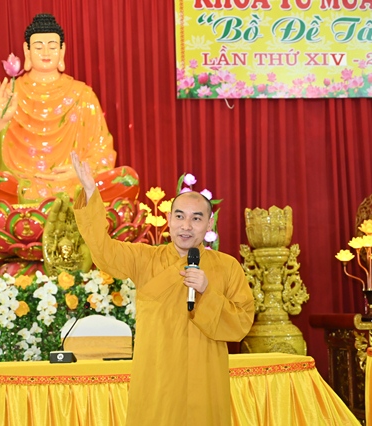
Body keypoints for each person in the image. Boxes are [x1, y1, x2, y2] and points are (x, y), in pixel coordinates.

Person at [70, 151, 255, 425]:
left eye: (196, 218)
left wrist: (208, 291)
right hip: (157, 381)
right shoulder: (145, 259)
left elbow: (241, 324)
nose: (186, 226)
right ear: (169, 219)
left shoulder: (227, 267)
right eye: (180, 216)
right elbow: (104, 250)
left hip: (204, 382)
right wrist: (89, 192)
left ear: (209, 223)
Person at [0, 13, 139, 207]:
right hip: (22, 183)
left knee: (126, 179)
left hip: (72, 183)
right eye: (38, 47)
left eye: (52, 46)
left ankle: (38, 211)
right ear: (27, 50)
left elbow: (102, 152)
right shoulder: (11, 94)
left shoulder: (82, 95)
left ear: (62, 50)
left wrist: (81, 171)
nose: (45, 52)